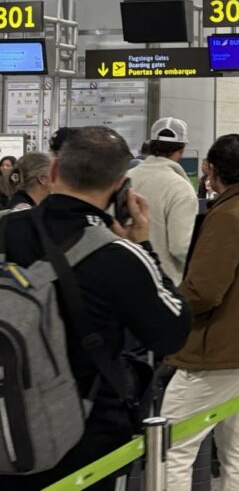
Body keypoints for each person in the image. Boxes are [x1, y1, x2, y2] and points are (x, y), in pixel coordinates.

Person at [0, 126, 191, 491]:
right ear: (121, 185)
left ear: (53, 170)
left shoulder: (5, 226)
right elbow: (174, 332)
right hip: (84, 438)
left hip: (6, 428)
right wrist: (144, 244)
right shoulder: (121, 255)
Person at [162, 134, 239, 490]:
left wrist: (166, 310)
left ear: (211, 169)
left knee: (171, 448)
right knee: (237, 447)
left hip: (215, 350)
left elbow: (204, 290)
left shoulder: (230, 214)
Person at [127, 118, 199, 285]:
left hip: (122, 278)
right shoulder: (180, 188)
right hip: (162, 284)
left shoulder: (125, 179)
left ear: (151, 145)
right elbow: (181, 247)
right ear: (182, 149)